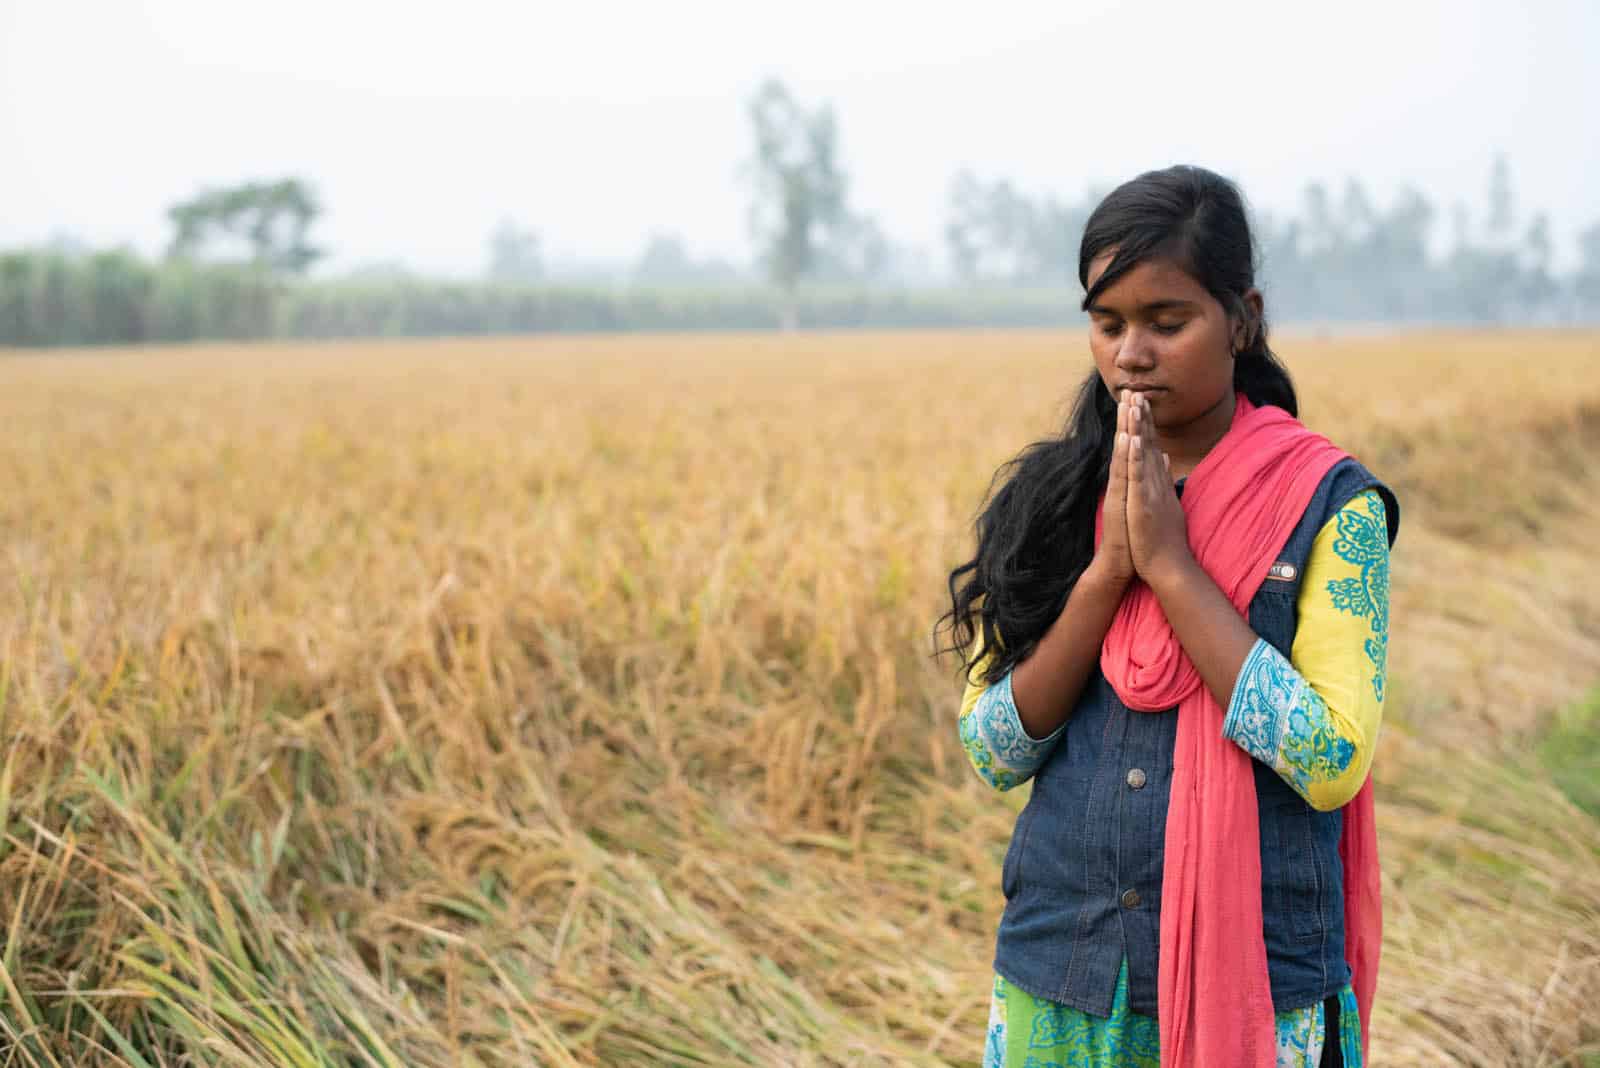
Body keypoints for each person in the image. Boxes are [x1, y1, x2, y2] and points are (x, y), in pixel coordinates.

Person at [935, 165, 1399, 1068]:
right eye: (1107, 325)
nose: (1130, 356)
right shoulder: (1059, 500)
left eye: (1166, 321)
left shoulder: (1328, 508)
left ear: (1243, 317)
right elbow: (993, 749)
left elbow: (1330, 759)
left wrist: (1174, 569)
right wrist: (1110, 569)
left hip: (1261, 990)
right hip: (1062, 980)